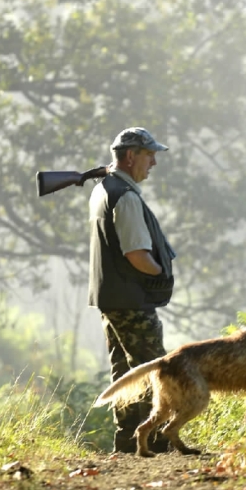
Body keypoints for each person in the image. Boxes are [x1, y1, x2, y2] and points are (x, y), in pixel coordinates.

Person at [88, 127, 176, 453]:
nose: (153, 162)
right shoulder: (124, 197)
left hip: (112, 299)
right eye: (148, 154)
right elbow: (136, 255)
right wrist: (161, 273)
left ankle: (126, 442)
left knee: (125, 372)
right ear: (130, 156)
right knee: (154, 369)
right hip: (130, 300)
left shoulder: (103, 189)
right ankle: (152, 441)